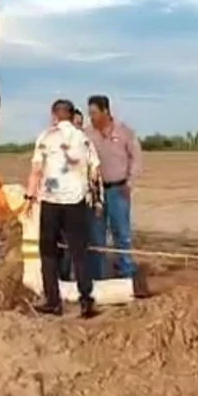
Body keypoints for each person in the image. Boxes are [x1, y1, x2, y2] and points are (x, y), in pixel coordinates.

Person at [24, 99, 102, 318]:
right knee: (80, 253)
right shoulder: (83, 139)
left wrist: (29, 198)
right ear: (70, 115)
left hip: (51, 201)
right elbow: (94, 173)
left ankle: (53, 301)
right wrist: (97, 201)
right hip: (76, 202)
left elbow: (36, 171)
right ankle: (86, 301)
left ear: (54, 116)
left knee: (48, 253)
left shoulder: (46, 137)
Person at [85, 95, 142, 279]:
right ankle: (98, 275)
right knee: (96, 235)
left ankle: (126, 273)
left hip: (119, 190)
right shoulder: (86, 135)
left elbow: (136, 158)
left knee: (122, 233)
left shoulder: (125, 132)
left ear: (106, 111)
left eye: (94, 112)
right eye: (89, 113)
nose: (91, 117)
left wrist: (130, 182)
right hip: (96, 193)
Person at [58, 106, 87, 280]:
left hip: (82, 199)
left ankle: (82, 279)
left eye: (80, 124)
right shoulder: (58, 147)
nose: (78, 127)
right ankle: (64, 277)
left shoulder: (85, 145)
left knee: (79, 241)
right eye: (75, 124)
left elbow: (93, 174)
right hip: (62, 200)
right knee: (65, 242)